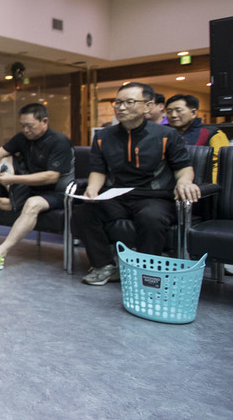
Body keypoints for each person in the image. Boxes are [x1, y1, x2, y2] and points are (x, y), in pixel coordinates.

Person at [74, 82, 200, 286]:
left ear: (148, 106)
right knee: (83, 214)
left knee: (151, 218)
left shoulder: (166, 135)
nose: (121, 108)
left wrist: (185, 182)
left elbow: (183, 167)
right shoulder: (103, 137)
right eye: (118, 102)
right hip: (116, 196)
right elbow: (98, 170)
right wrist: (92, 189)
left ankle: (146, 273)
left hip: (153, 197)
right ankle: (104, 266)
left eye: (129, 102)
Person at [0, 103, 74, 272]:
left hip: (57, 192)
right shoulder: (22, 138)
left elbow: (51, 177)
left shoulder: (59, 142)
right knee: (6, 159)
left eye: (30, 126)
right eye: (22, 126)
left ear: (44, 121)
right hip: (30, 188)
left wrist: (13, 178)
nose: (25, 130)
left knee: (33, 204)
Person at [165, 93, 229, 183]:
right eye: (169, 111)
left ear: (194, 113)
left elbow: (221, 166)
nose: (173, 115)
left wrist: (212, 188)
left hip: (201, 187)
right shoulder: (164, 133)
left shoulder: (213, 134)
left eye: (178, 110)